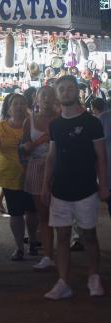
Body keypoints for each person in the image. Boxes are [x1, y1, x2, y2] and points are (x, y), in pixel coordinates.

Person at [43, 75, 108, 299]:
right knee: (61, 236)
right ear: (57, 93)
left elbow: (101, 158)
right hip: (60, 190)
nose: (66, 92)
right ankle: (63, 282)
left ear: (77, 92)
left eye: (70, 88)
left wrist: (103, 185)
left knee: (88, 234)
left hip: (86, 189)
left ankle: (94, 276)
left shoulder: (92, 122)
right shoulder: (55, 125)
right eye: (62, 89)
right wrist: (45, 186)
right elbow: (51, 157)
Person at [0, 93, 38, 261]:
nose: (19, 107)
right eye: (15, 104)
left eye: (22, 103)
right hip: (10, 175)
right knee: (15, 213)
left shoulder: (34, 125)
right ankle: (19, 246)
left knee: (32, 211)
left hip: (32, 173)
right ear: (8, 107)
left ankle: (33, 240)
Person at [21, 86, 59, 271]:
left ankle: (61, 252)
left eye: (51, 95)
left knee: (62, 213)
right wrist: (30, 146)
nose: (47, 98)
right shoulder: (30, 121)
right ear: (35, 99)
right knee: (43, 215)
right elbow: (23, 147)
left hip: (60, 168)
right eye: (43, 95)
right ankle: (48, 255)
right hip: (36, 167)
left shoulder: (62, 118)